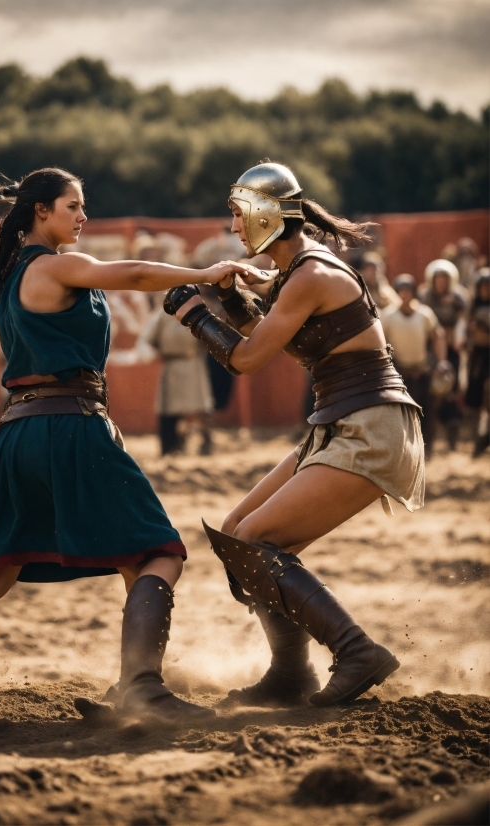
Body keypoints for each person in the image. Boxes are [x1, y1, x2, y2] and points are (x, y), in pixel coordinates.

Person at [0, 167, 248, 723]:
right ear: (40, 211)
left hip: (16, 434)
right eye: (72, 206)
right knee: (158, 552)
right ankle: (143, 691)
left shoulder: (10, 274)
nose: (83, 216)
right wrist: (206, 272)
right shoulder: (56, 266)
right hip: (70, 428)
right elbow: (131, 272)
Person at [164, 161, 424, 708]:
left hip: (370, 426)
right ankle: (291, 674)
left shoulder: (309, 275)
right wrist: (235, 298)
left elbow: (246, 359)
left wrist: (193, 312)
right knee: (238, 538)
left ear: (265, 214)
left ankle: (356, 651)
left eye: (238, 216)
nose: (235, 229)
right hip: (341, 422)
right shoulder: (295, 274)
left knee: (257, 542)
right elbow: (275, 335)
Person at [381, 275, 446, 456]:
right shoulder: (387, 315)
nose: (403, 295)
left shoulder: (424, 313)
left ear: (413, 293)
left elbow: (437, 337)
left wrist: (441, 362)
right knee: (401, 416)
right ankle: (406, 453)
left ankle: (428, 451)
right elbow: (379, 342)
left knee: (427, 412)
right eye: (400, 292)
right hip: (399, 373)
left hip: (423, 371)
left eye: (407, 291)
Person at [141, 308, 214, 455]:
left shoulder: (198, 312)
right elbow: (148, 339)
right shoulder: (162, 316)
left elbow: (210, 338)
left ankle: (204, 443)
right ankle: (171, 447)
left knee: (199, 408)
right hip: (171, 367)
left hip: (194, 365)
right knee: (169, 410)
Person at [419, 260, 467, 451]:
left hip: (452, 351)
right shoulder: (425, 297)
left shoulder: (458, 299)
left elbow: (463, 320)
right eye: (437, 279)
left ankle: (452, 437)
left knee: (450, 391)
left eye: (443, 279)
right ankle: (431, 436)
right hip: (431, 351)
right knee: (432, 393)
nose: (440, 283)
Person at [464, 270, 490, 457]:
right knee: (474, 397)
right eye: (482, 286)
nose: (485, 290)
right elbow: (465, 327)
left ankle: (484, 437)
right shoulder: (472, 306)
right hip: (476, 356)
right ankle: (476, 438)